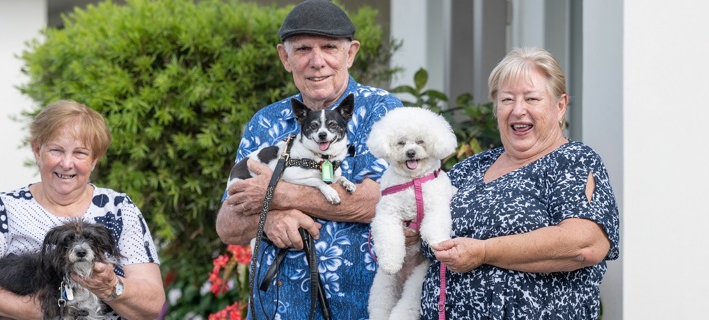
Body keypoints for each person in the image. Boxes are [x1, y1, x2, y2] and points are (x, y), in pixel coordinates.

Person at [215, 0, 404, 318]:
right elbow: (227, 225)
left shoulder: (380, 110)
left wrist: (278, 195)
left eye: (329, 47)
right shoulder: (266, 122)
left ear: (351, 53)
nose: (317, 62)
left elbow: (384, 200)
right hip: (278, 309)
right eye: (303, 49)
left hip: (361, 309)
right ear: (284, 57)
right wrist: (271, 218)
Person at [421, 47, 620, 319]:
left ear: (560, 105)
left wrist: (483, 251)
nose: (518, 110)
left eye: (532, 98)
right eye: (507, 99)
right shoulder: (469, 168)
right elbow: (422, 223)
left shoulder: (573, 161)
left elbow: (584, 244)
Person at [0, 100, 165, 320]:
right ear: (37, 151)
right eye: (56, 150)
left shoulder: (119, 209)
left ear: (94, 160)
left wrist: (112, 288)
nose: (67, 164)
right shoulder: (5, 207)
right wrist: (35, 311)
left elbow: (152, 304)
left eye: (80, 153)